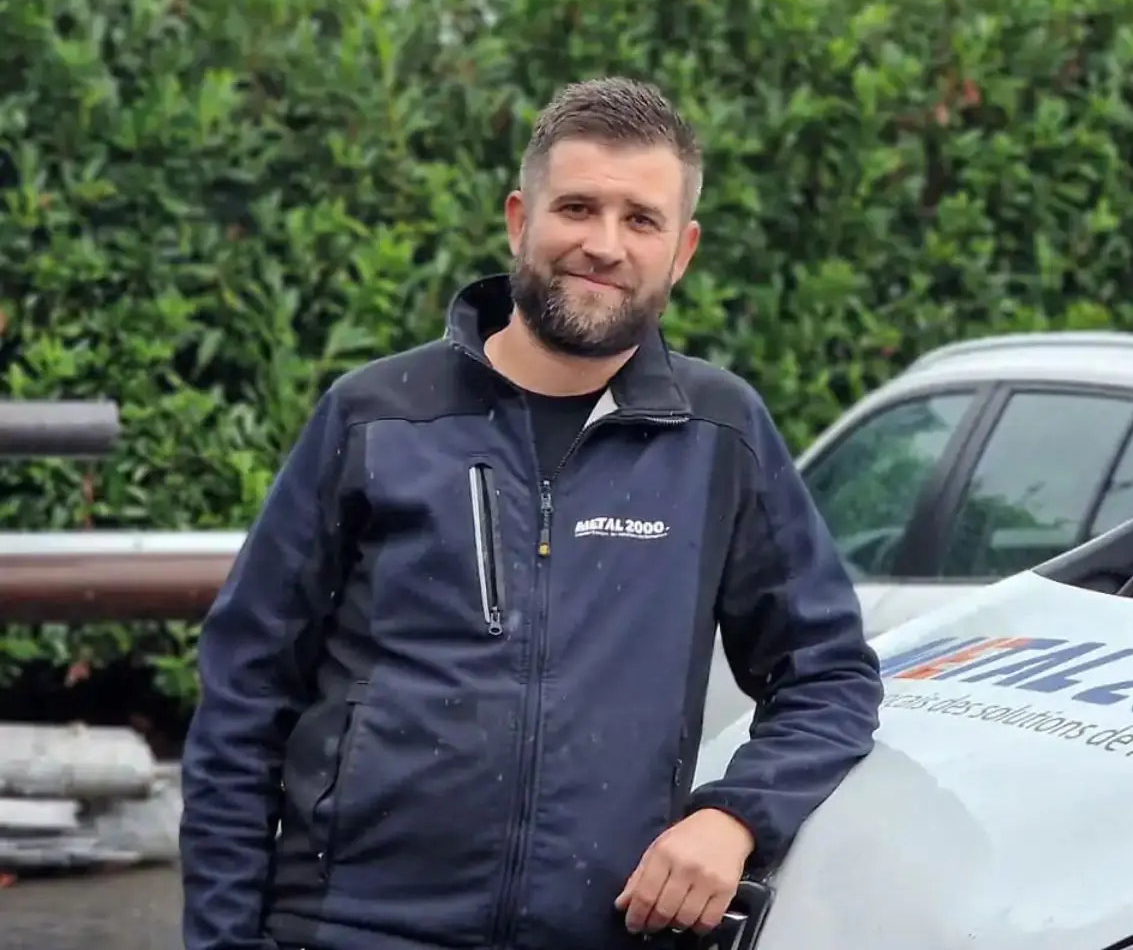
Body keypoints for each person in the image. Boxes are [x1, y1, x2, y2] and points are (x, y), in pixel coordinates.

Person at [179, 76, 883, 950]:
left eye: (641, 220)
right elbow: (245, 696)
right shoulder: (376, 417)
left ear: (682, 251)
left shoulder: (719, 436)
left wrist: (735, 816)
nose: (604, 244)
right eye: (577, 207)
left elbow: (830, 677)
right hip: (353, 928)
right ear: (521, 219)